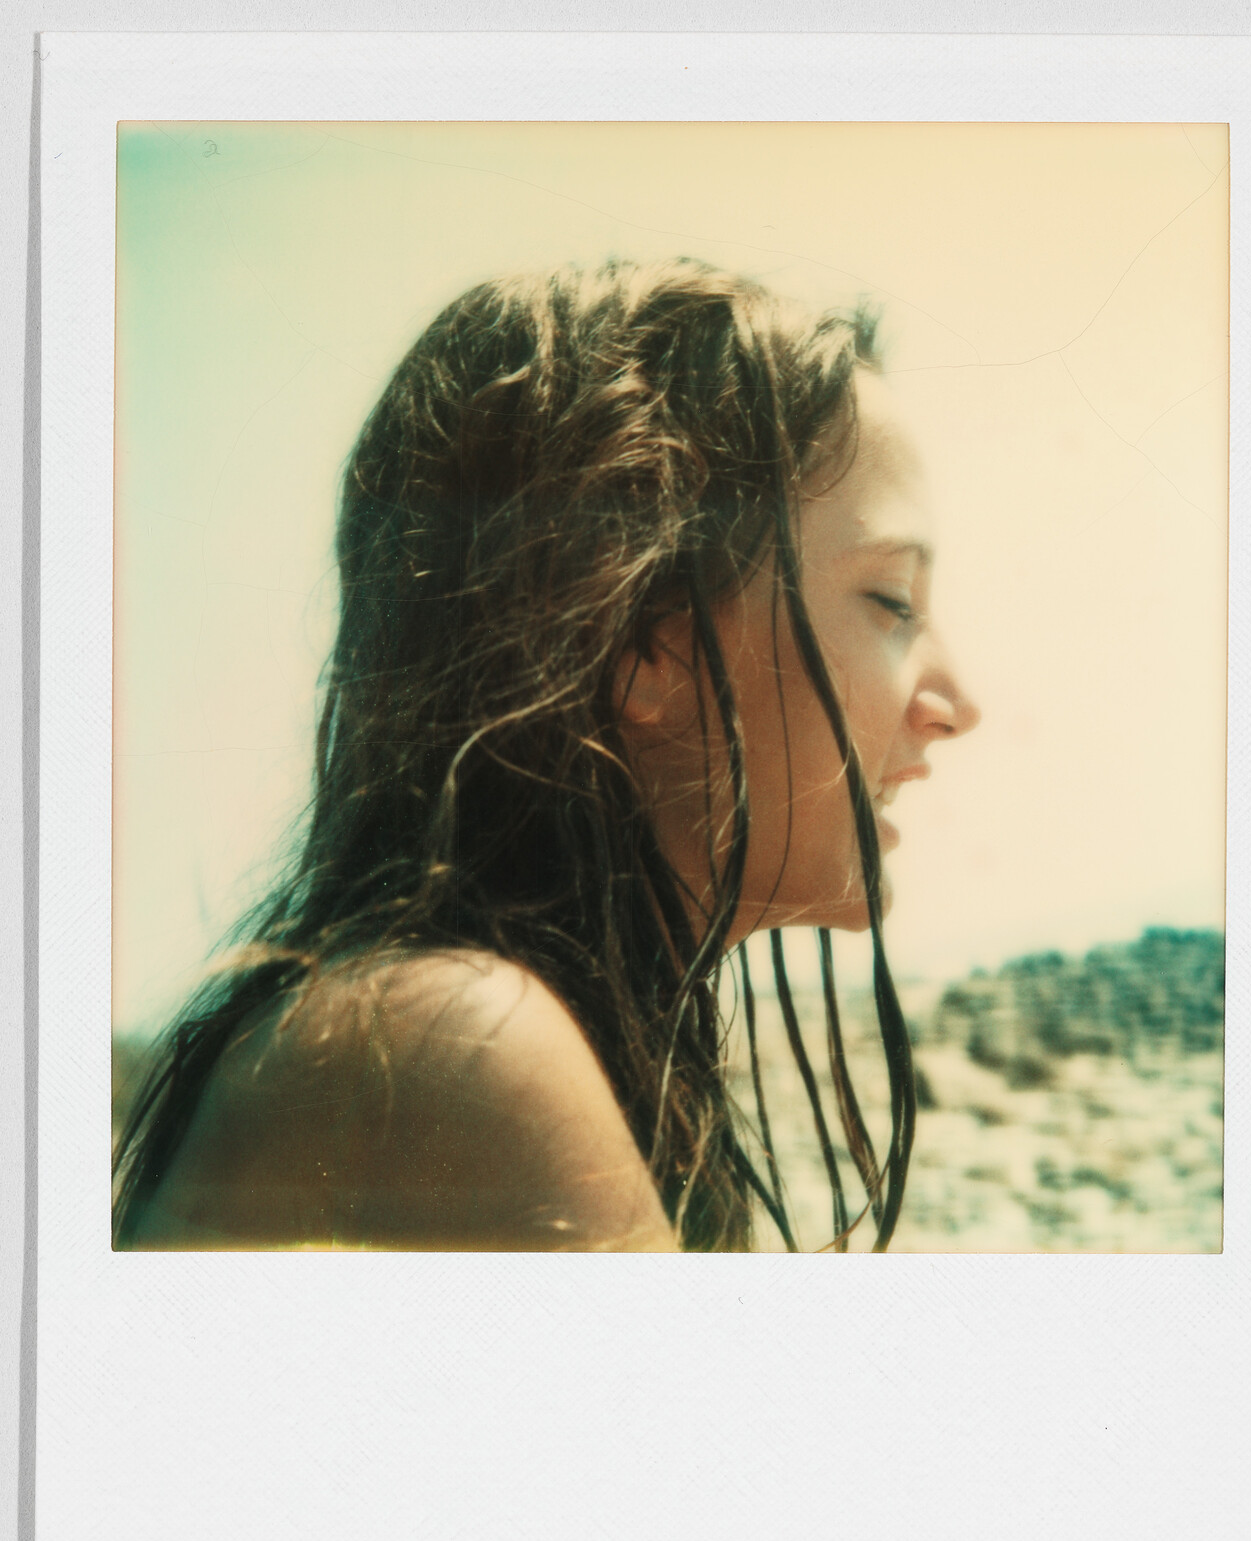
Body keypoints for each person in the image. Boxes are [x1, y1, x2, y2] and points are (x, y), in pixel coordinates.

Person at [112, 257, 978, 1254]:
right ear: (651, 647)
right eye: (891, 601)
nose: (956, 703)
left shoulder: (456, 1029)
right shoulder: (448, 1042)